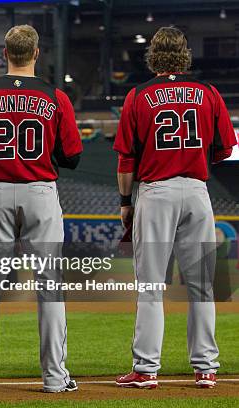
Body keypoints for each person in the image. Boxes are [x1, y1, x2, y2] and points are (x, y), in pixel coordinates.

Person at [0, 25, 83, 393]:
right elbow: (73, 158)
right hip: (40, 192)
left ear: (4, 53)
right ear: (36, 53)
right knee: (50, 286)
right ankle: (55, 379)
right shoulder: (54, 96)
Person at [114, 26, 237, 389]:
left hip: (156, 193)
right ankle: (205, 368)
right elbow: (226, 148)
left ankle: (146, 369)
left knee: (151, 284)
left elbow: (125, 158)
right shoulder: (208, 93)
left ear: (153, 55)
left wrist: (124, 202)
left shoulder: (138, 95)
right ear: (184, 54)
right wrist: (199, 161)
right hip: (196, 192)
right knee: (202, 285)